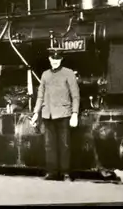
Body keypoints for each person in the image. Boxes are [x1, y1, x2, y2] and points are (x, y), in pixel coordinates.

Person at [31, 48, 80, 181]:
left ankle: (65, 173)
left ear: (61, 59)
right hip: (48, 115)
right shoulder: (45, 75)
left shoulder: (68, 73)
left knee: (64, 145)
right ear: (49, 59)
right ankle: (52, 172)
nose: (55, 62)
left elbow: (75, 95)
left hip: (64, 114)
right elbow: (40, 96)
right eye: (53, 59)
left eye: (58, 59)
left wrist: (75, 113)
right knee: (49, 145)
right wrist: (36, 113)